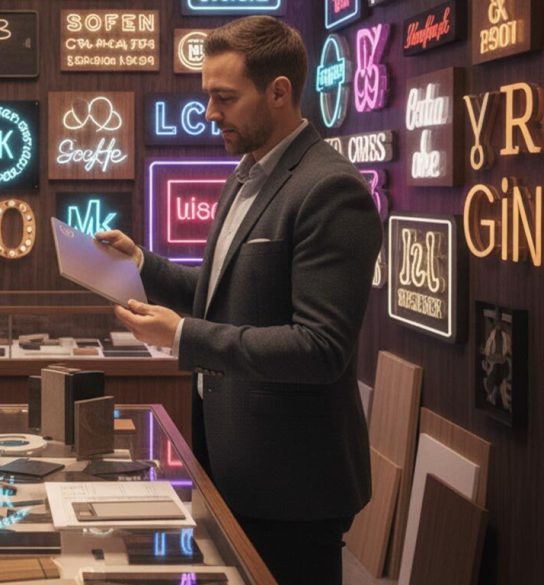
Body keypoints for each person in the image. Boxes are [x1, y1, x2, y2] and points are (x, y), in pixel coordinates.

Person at [96, 16, 381, 585]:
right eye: (208, 96)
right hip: (234, 465)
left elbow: (320, 347)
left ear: (279, 92)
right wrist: (142, 266)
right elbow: (223, 291)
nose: (209, 113)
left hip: (293, 484)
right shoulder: (246, 174)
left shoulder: (330, 188)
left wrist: (183, 336)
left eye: (225, 97)